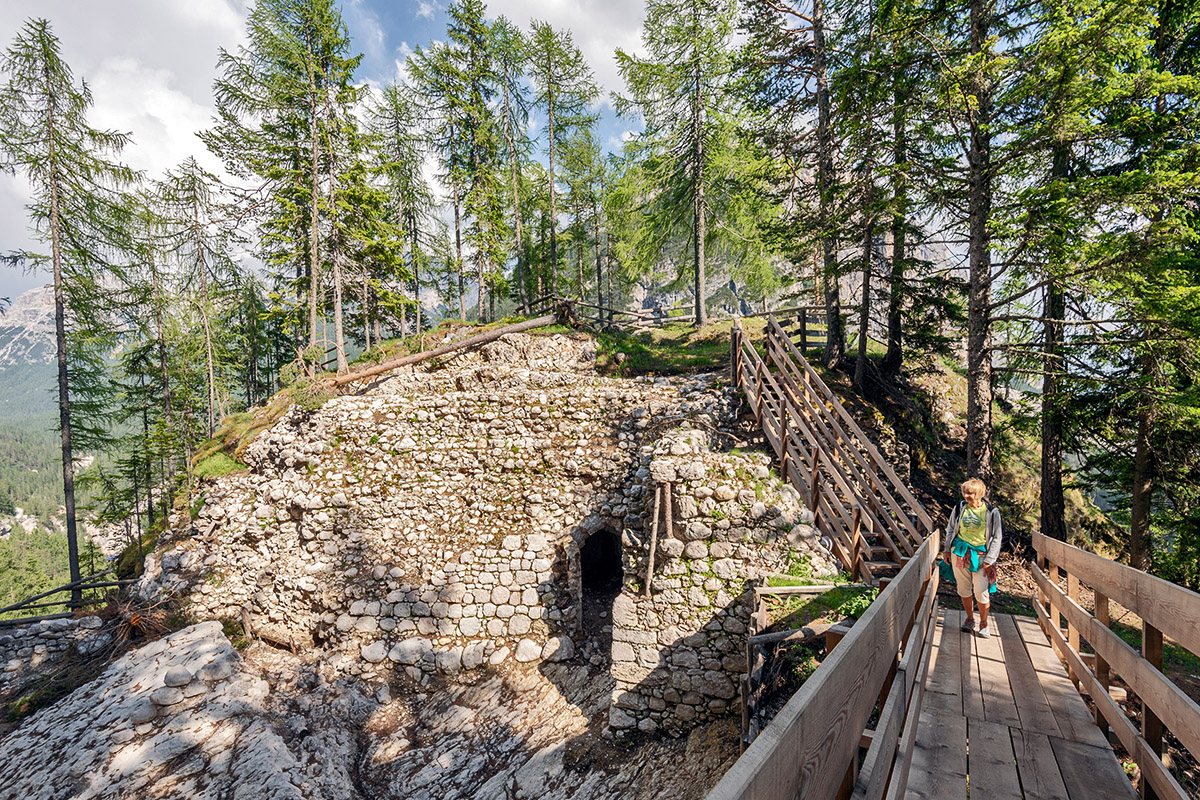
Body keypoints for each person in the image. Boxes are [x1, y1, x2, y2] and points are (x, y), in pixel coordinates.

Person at [941, 478, 1002, 637]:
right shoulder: (960, 508)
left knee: (981, 590)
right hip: (959, 553)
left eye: (970, 493)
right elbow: (951, 529)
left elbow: (997, 537)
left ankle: (983, 622)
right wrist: (947, 549)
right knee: (963, 588)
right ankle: (969, 618)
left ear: (980, 494)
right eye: (964, 492)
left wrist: (990, 560)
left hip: (982, 556)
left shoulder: (991, 512)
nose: (966, 496)